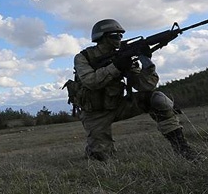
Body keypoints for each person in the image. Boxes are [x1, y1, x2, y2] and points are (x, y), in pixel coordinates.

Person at [73, 19, 198, 161]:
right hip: (94, 114)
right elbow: (91, 81)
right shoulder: (83, 57)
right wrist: (116, 67)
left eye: (120, 35)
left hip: (118, 105)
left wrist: (147, 63)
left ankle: (183, 150)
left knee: (157, 99)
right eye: (115, 35)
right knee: (101, 158)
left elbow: (146, 86)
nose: (119, 39)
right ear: (101, 37)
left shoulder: (123, 56)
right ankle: (93, 150)